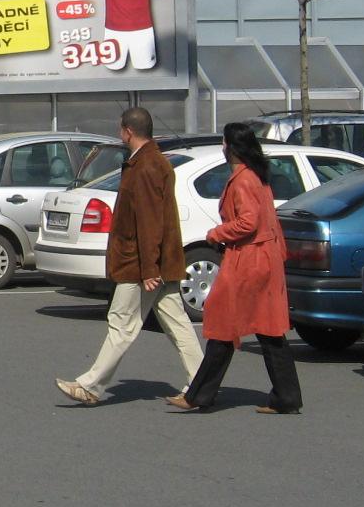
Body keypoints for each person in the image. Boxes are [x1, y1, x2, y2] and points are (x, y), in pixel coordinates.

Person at [55, 106, 203, 406]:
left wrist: (149, 269)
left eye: (120, 129)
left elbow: (149, 222)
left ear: (128, 132)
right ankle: (203, 383)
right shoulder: (151, 162)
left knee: (121, 323)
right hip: (155, 263)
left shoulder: (146, 167)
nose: (119, 134)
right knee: (177, 323)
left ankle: (90, 385)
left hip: (139, 265)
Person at [166, 122, 303, 414]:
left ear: (231, 146)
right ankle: (285, 396)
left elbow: (248, 222)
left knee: (223, 323)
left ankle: (199, 395)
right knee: (267, 330)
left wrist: (217, 234)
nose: (223, 147)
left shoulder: (243, 180)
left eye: (225, 142)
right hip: (263, 257)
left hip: (249, 260)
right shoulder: (256, 176)